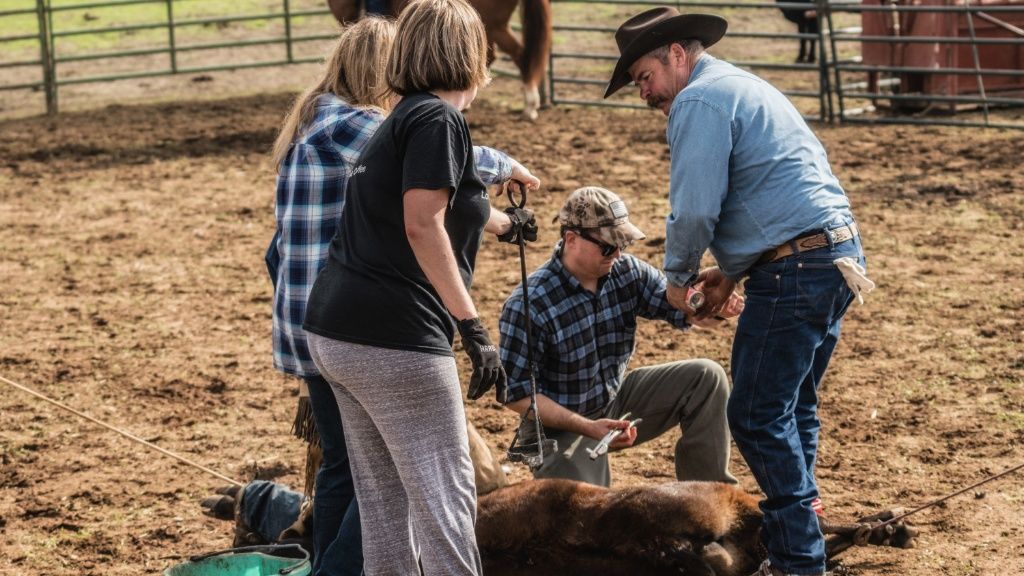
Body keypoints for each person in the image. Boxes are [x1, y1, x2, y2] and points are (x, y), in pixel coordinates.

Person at [604, 7, 872, 576]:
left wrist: (678, 280)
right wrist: (732, 271)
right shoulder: (740, 86)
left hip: (796, 268)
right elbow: (770, 190)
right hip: (833, 255)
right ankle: (803, 539)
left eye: (645, 77)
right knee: (792, 406)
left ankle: (800, 559)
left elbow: (696, 207)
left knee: (753, 413)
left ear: (676, 53)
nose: (645, 93)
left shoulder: (699, 100)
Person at [266, 14, 537, 576]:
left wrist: (500, 222)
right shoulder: (434, 118)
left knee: (384, 500)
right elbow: (423, 222)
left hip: (333, 330)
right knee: (446, 493)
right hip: (393, 333)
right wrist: (473, 327)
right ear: (472, 54)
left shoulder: (398, 121)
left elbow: (434, 198)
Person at [499, 186, 743, 487]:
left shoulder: (625, 271)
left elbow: (680, 308)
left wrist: (712, 304)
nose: (617, 253)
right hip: (559, 426)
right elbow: (518, 396)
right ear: (571, 239)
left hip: (616, 401)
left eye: (622, 244)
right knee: (585, 515)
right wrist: (588, 427)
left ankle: (709, 496)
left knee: (707, 377)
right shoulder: (529, 303)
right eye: (608, 246)